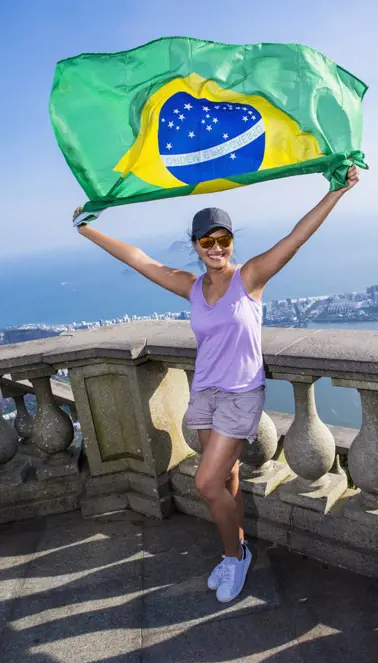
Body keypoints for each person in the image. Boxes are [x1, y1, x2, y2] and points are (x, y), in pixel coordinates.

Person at [74, 164, 359, 603]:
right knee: (224, 479)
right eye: (207, 241)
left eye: (224, 239)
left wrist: (335, 192)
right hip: (205, 392)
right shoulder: (189, 287)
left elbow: (296, 238)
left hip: (241, 396)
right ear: (195, 246)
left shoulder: (249, 279)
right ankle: (234, 549)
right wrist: (88, 230)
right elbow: (139, 259)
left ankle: (236, 555)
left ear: (232, 242)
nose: (217, 247)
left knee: (205, 484)